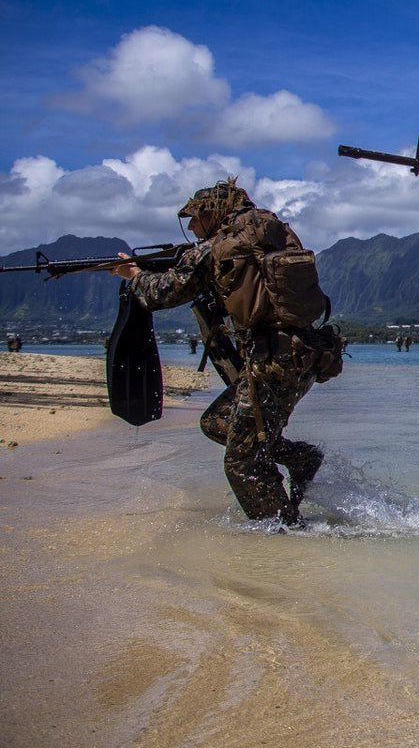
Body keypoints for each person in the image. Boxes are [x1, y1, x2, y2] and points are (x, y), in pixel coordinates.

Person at [112, 180, 327, 527]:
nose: (192, 227)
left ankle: (287, 537)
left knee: (242, 462)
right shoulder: (274, 234)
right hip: (303, 356)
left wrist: (134, 276)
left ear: (213, 212)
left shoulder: (217, 247)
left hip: (270, 366)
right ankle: (301, 459)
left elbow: (161, 295)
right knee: (216, 423)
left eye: (194, 218)